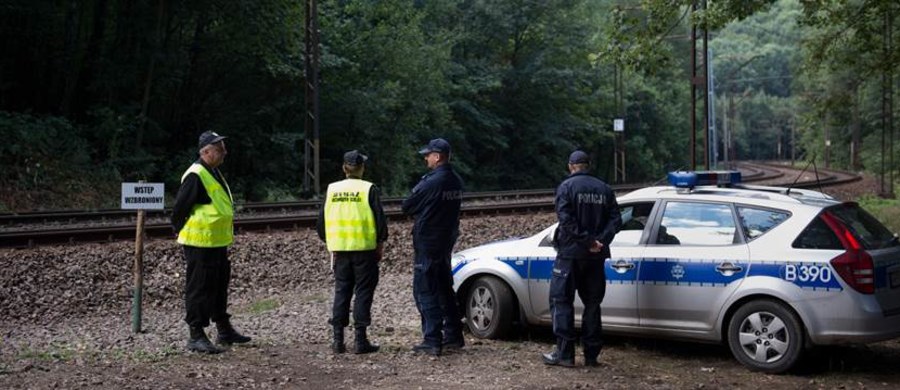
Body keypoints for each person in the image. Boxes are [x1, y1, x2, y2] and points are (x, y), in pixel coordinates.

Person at [171, 131, 251, 354]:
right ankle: (196, 335)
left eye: (223, 147)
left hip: (215, 242)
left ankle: (224, 329)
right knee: (199, 288)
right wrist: (180, 231)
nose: (225, 152)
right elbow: (179, 210)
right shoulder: (196, 174)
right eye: (219, 148)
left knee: (218, 286)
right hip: (200, 243)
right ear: (205, 151)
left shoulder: (213, 171)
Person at [542, 150, 621, 367]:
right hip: (596, 257)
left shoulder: (566, 187)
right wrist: (599, 242)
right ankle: (591, 354)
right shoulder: (604, 189)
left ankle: (565, 354)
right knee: (593, 304)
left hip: (570, 255)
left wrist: (587, 241)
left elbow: (566, 221)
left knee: (561, 301)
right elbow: (616, 220)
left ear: (570, 166)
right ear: (588, 165)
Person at [316, 150, 387, 355]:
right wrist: (379, 245)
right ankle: (360, 340)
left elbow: (321, 223)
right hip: (365, 251)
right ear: (362, 168)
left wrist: (331, 242)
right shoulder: (369, 189)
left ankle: (338, 340)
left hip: (340, 251)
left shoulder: (332, 189)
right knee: (363, 293)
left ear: (344, 168)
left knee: (342, 292)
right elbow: (380, 222)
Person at [401, 138, 465, 356]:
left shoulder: (432, 182)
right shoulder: (456, 180)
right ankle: (454, 335)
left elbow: (407, 205)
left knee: (426, 288)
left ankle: (432, 340)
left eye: (428, 155)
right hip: (446, 240)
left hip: (428, 241)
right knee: (445, 287)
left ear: (437, 157)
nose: (425, 158)